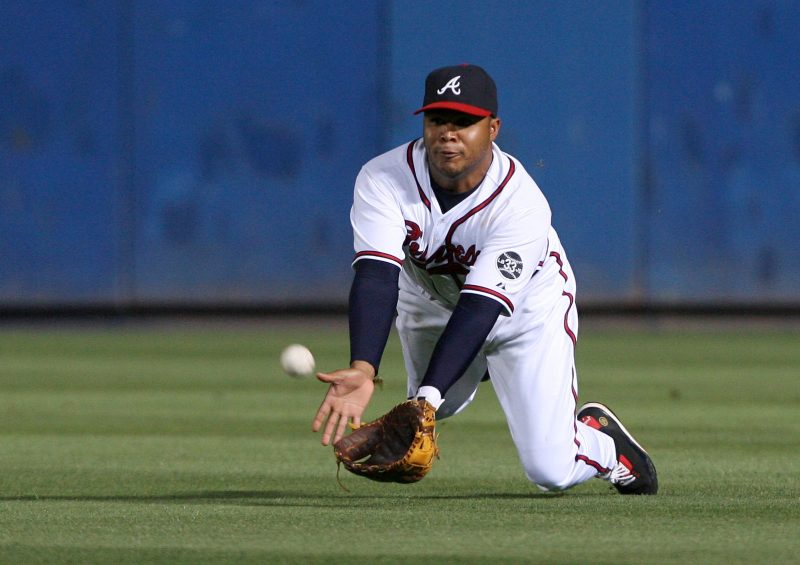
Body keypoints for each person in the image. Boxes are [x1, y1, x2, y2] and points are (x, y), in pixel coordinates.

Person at [311, 64, 657, 495]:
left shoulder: (520, 204)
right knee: (436, 407)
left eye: (464, 122)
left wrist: (426, 399)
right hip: (429, 299)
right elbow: (377, 275)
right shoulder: (384, 178)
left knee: (549, 470)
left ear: (493, 128)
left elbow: (481, 306)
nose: (448, 133)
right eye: (438, 120)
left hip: (526, 310)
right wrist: (364, 367)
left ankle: (606, 446)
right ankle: (471, 366)